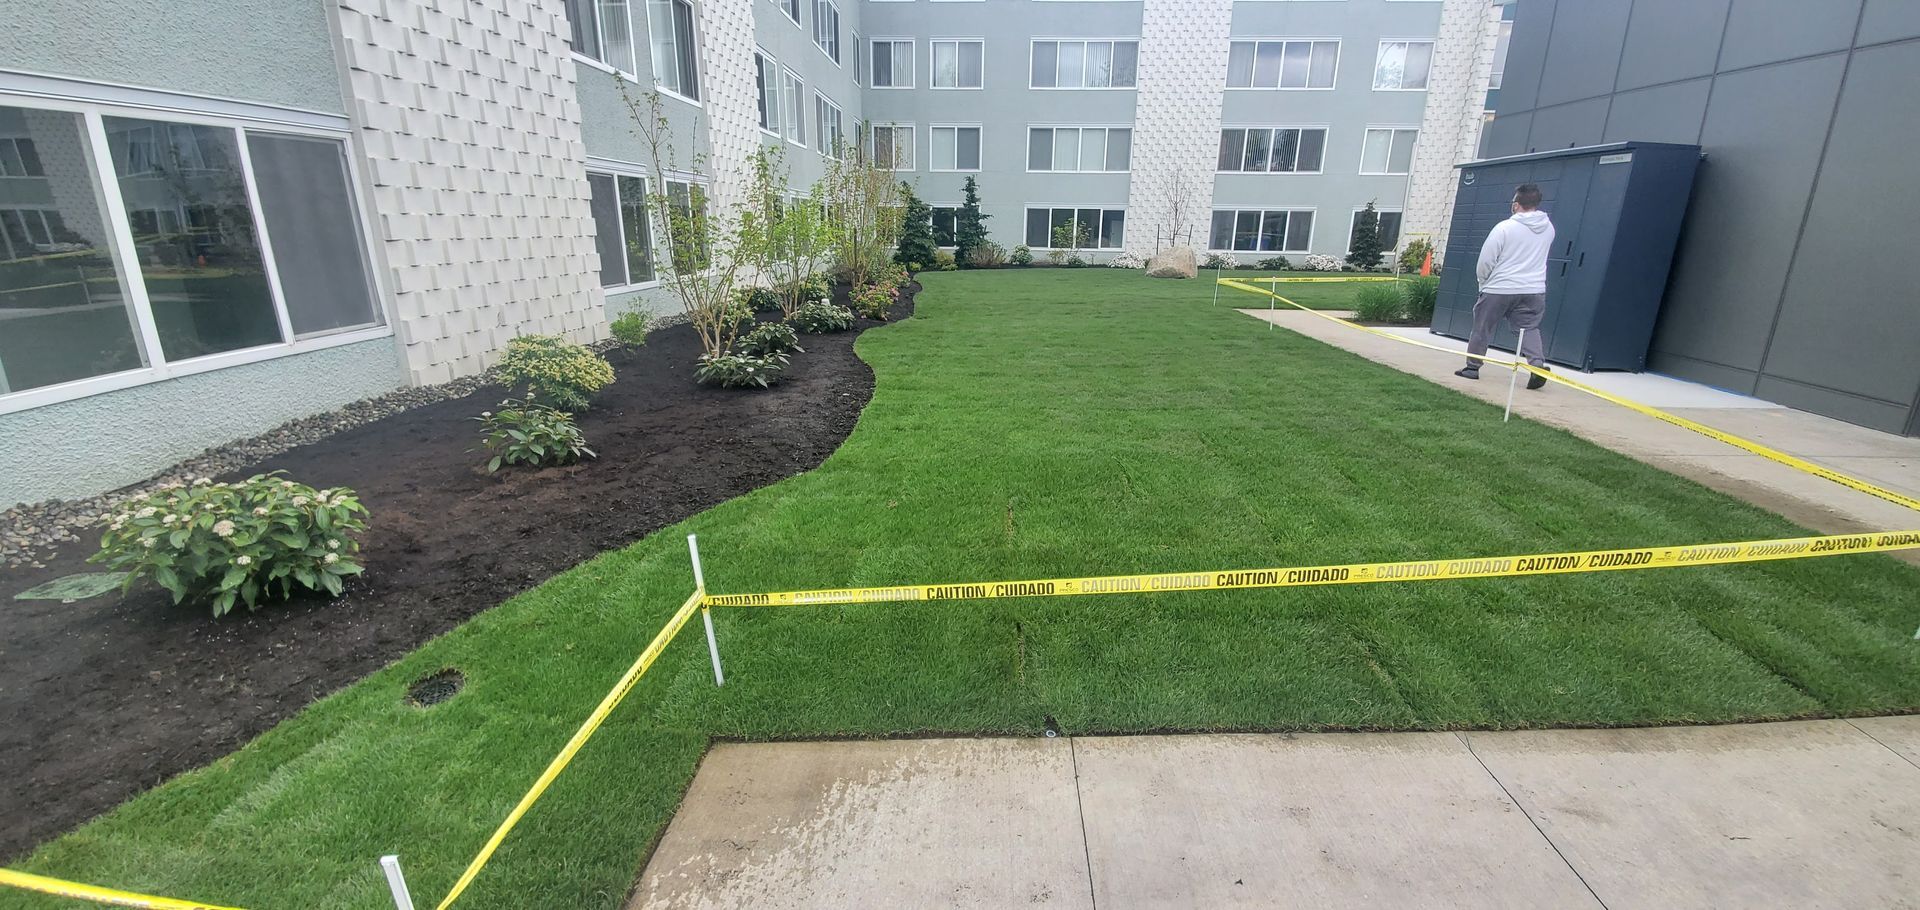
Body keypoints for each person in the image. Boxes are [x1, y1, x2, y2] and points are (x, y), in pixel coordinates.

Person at [1455, 183, 1555, 389]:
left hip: (1500, 287)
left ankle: (1472, 368)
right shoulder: (1549, 228)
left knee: (1482, 327)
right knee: (1528, 328)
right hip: (1533, 289)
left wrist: (1483, 282)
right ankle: (1537, 365)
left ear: (1516, 204)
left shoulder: (1504, 228)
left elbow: (1486, 260)